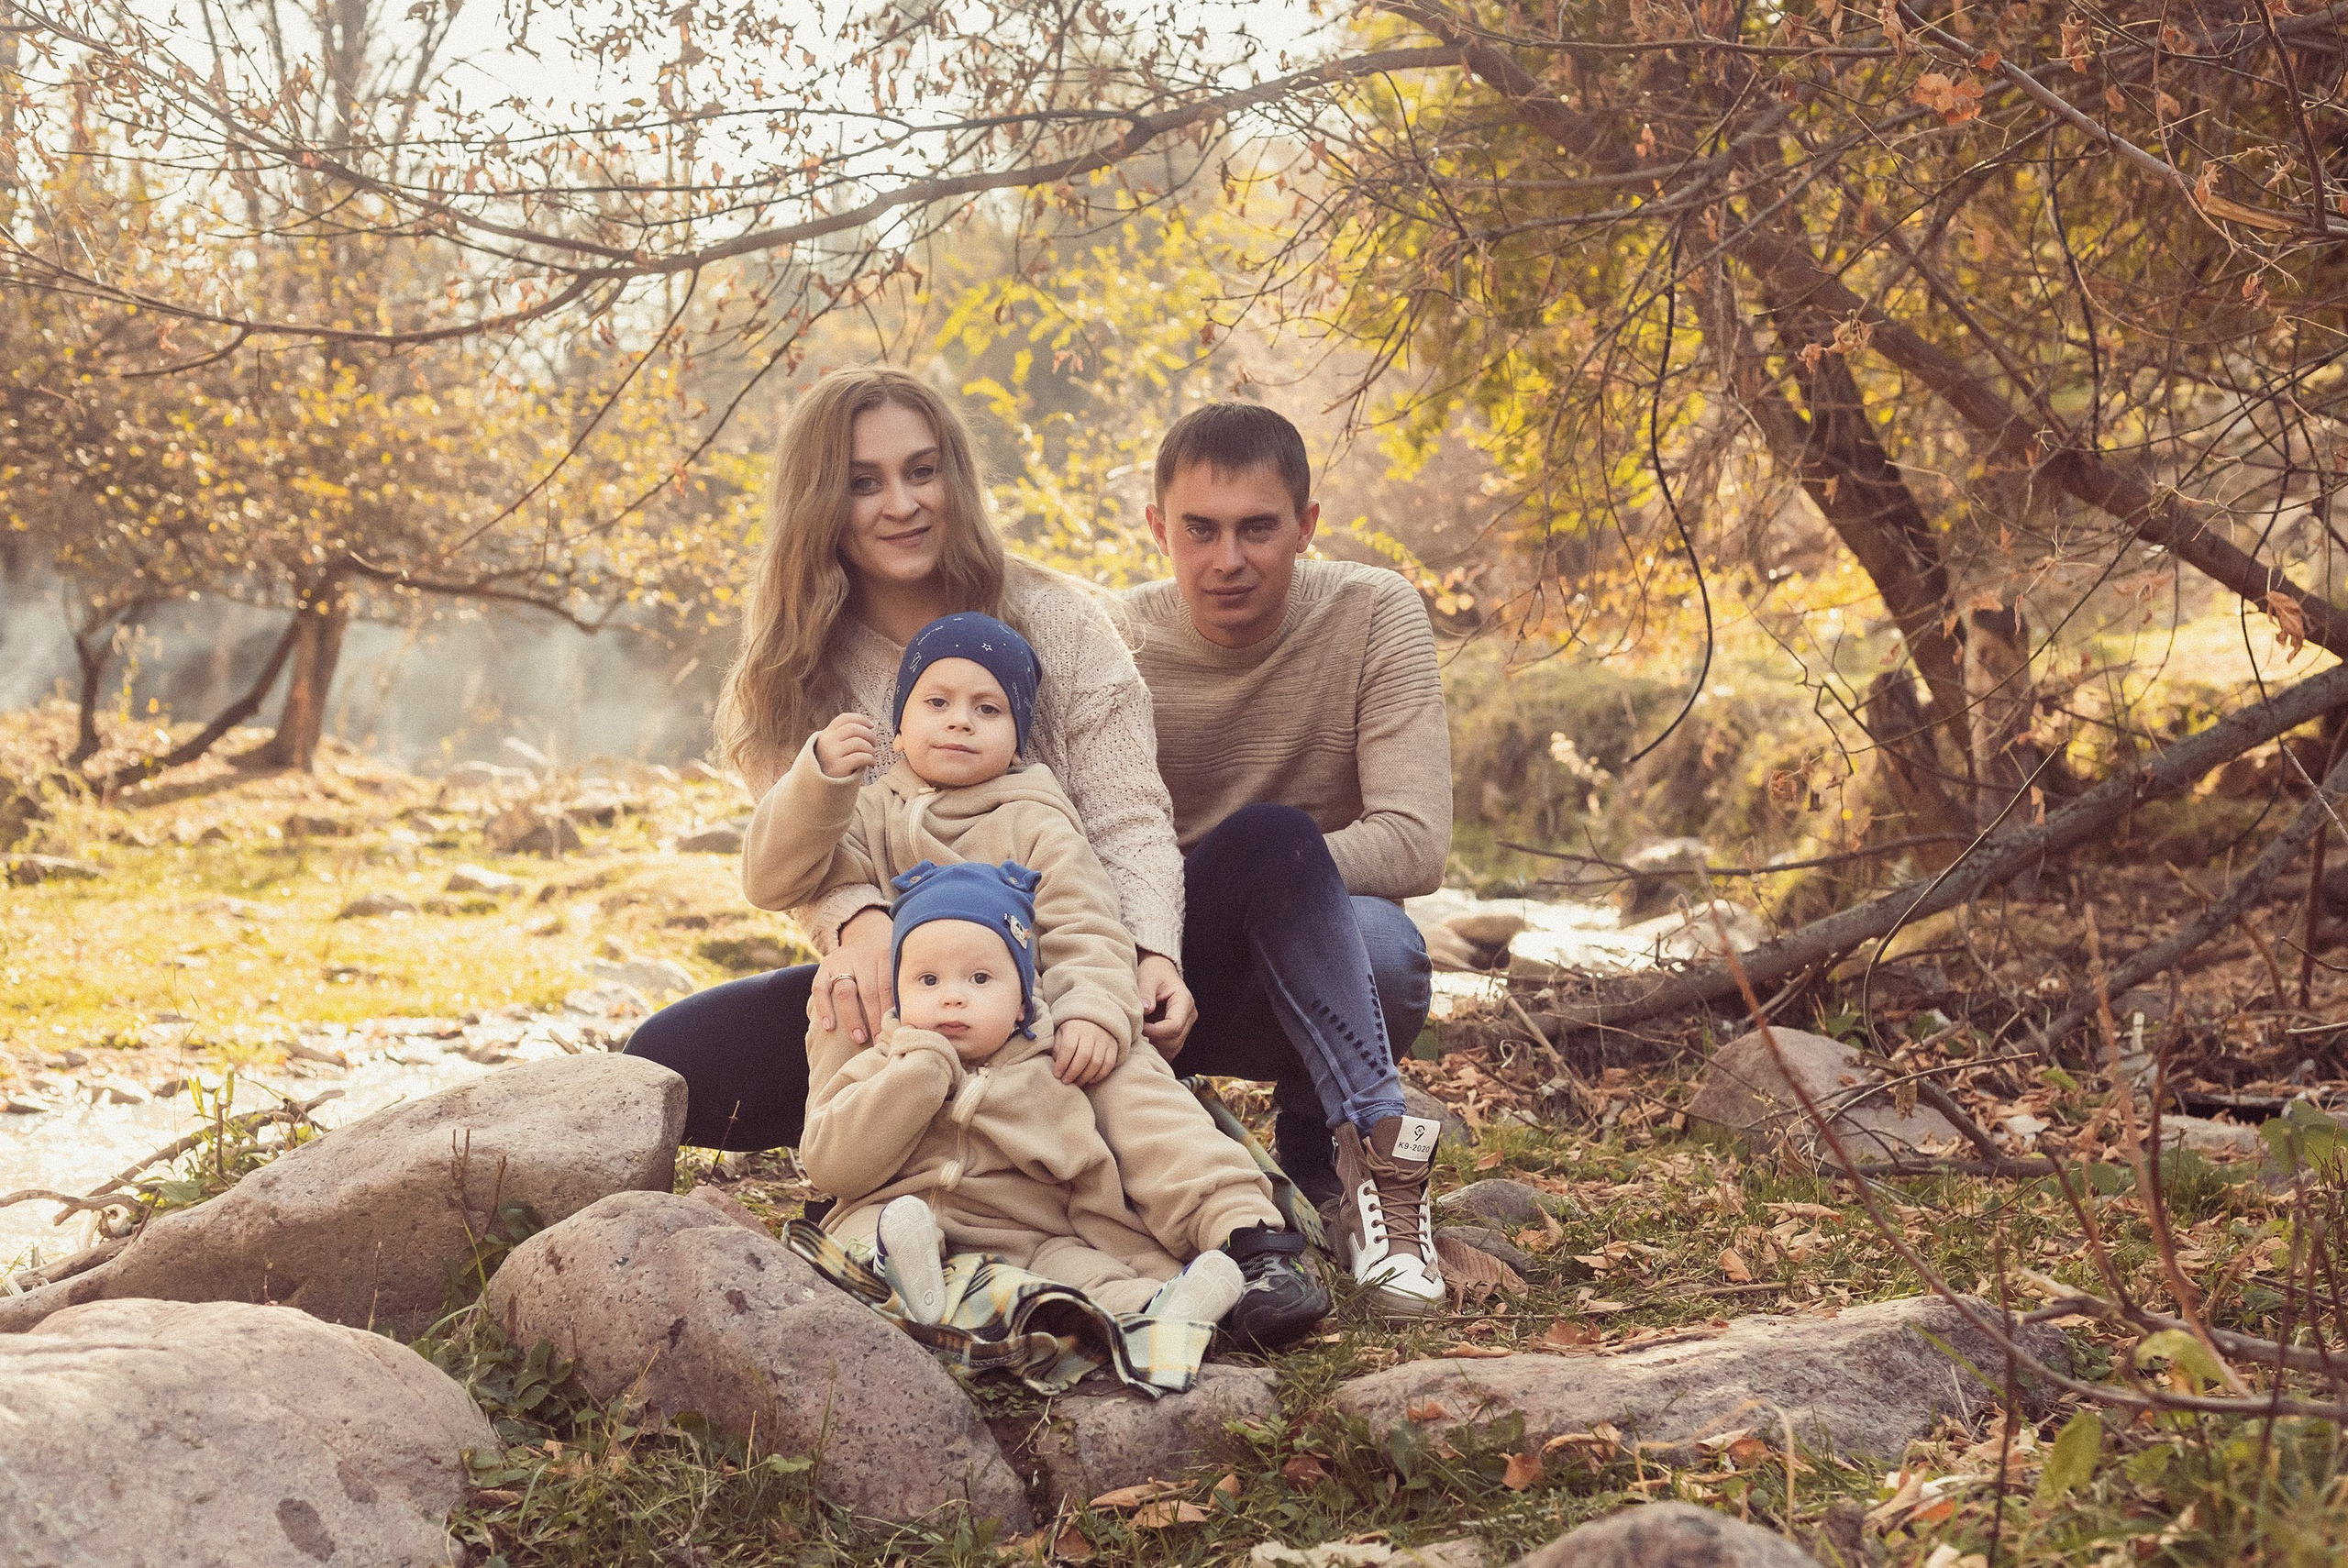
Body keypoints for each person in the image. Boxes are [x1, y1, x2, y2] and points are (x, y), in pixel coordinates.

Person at [622, 367, 1334, 1327]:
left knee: (1141, 1047)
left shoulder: (1059, 621)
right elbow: (796, 863)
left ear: (956, 475)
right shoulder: (796, 668)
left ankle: (1231, 1235)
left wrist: (1142, 961)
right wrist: (858, 923)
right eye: (864, 481)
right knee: (666, 1061)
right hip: (908, 988)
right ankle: (922, 1183)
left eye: (922, 471)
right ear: (820, 502)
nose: (902, 503)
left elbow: (1125, 819)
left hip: (1072, 974)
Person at [746, 609, 1325, 1344]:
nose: (959, 722)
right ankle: (903, 1251)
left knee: (1135, 1090)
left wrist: (1091, 1014)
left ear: (1017, 739)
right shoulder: (865, 805)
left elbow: (1087, 925)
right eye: (936, 702)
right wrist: (819, 777)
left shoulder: (1038, 816)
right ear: (897, 727)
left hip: (1033, 1031)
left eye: (986, 709)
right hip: (907, 1027)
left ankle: (1245, 1243)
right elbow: (772, 876)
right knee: (851, 1064)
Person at [1123, 402, 1454, 1317]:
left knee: (1387, 946)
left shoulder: (1372, 612)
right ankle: (1185, 1135)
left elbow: (1415, 840)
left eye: (1257, 528)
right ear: (1159, 529)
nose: (1227, 558)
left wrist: (1283, 879)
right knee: (1266, 849)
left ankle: (1343, 1170)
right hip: (1167, 964)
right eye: (1200, 529)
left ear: (1305, 527)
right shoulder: (1113, 642)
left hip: (1325, 967)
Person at [801, 859, 1245, 1327]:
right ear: (898, 992)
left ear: (1021, 1004)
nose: (952, 997)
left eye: (979, 979)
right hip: (899, 1215)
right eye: (928, 981)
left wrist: (1143, 1258)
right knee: (875, 1234)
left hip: (1030, 1238)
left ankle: (1162, 1307)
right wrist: (919, 1076)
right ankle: (896, 1270)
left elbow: (1091, 1179)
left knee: (1083, 1275)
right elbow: (831, 1165)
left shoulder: (1049, 1076)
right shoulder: (881, 1064)